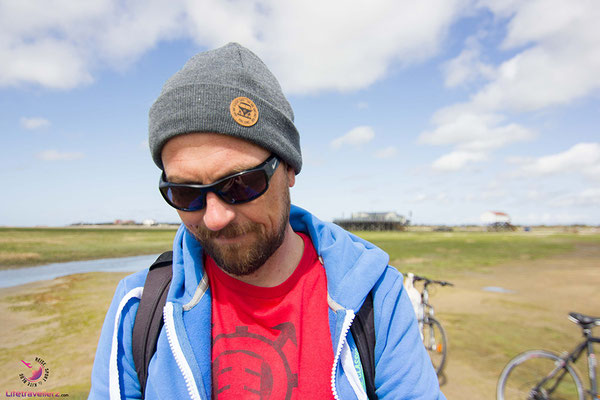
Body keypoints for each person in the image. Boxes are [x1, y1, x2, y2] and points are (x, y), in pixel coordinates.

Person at [89, 42, 445, 399]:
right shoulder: (139, 308)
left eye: (240, 184)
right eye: (185, 193)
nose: (214, 218)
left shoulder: (376, 295)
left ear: (289, 168)